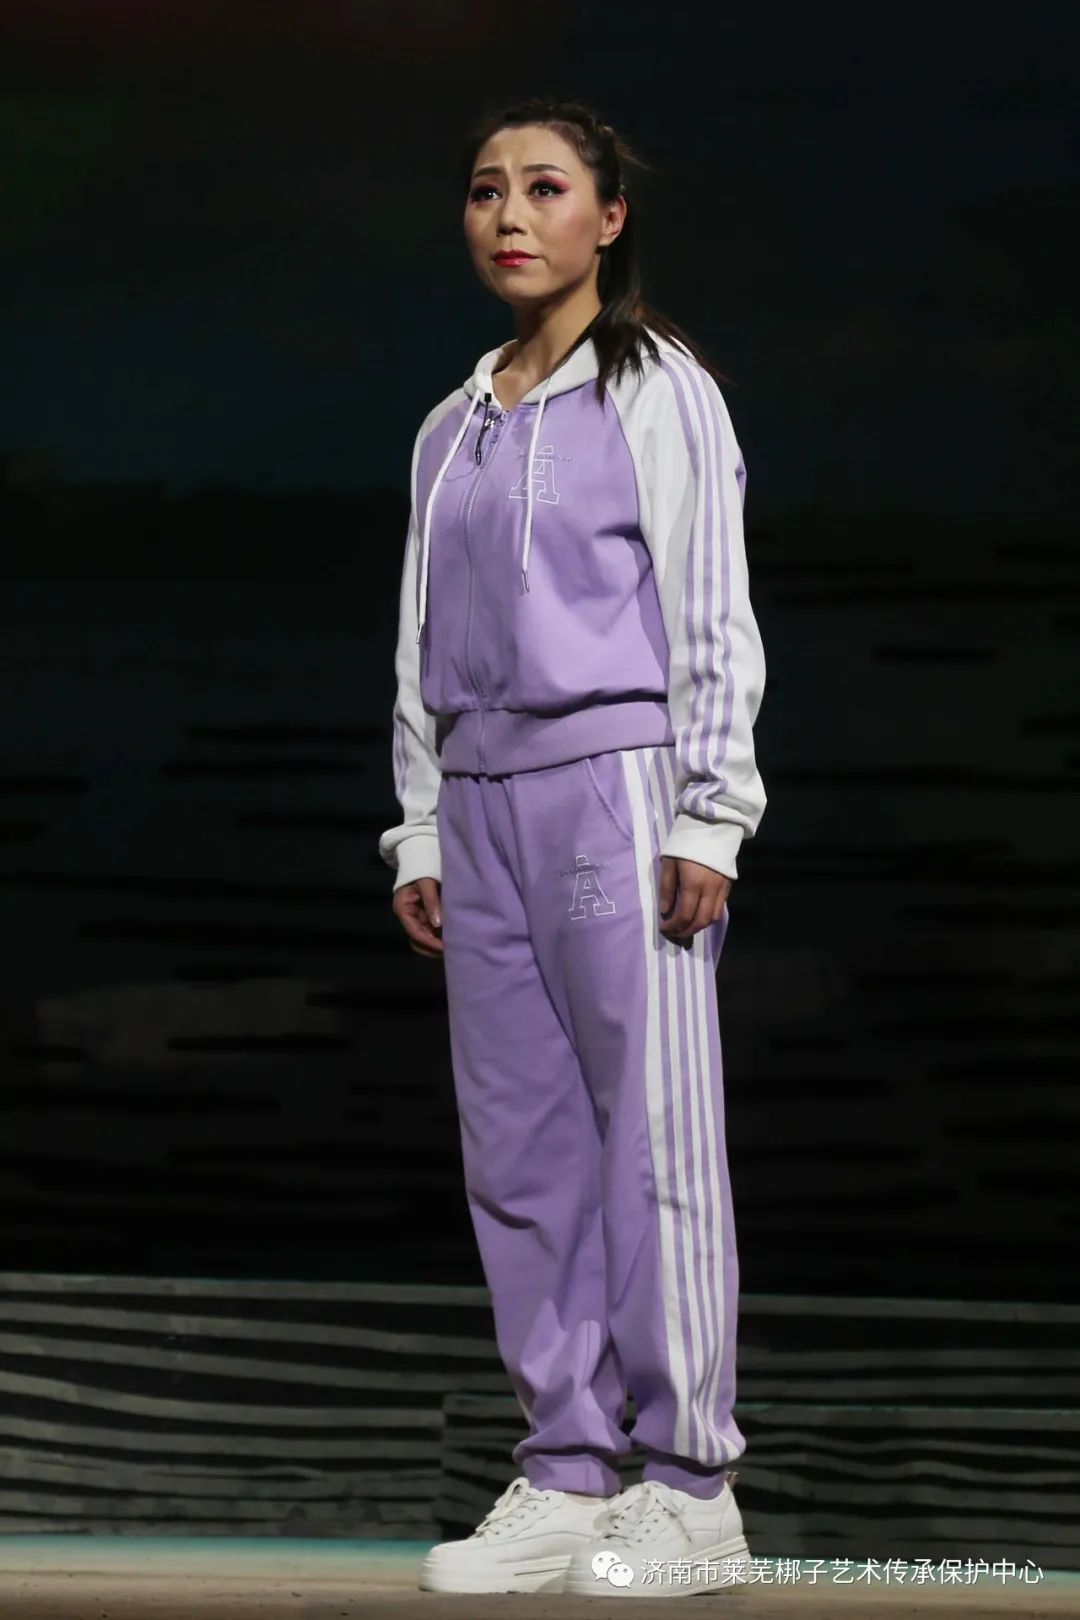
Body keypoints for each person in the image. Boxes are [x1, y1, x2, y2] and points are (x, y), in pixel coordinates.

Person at [378, 95, 767, 1600]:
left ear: (608, 219)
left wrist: (711, 811)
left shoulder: (659, 389)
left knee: (652, 1140)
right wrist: (419, 822)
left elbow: (711, 607)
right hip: (481, 806)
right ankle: (566, 1465)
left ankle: (692, 1487)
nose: (510, 214)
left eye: (545, 188)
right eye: (487, 190)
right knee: (521, 1149)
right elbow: (415, 643)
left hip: (616, 787)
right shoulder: (452, 424)